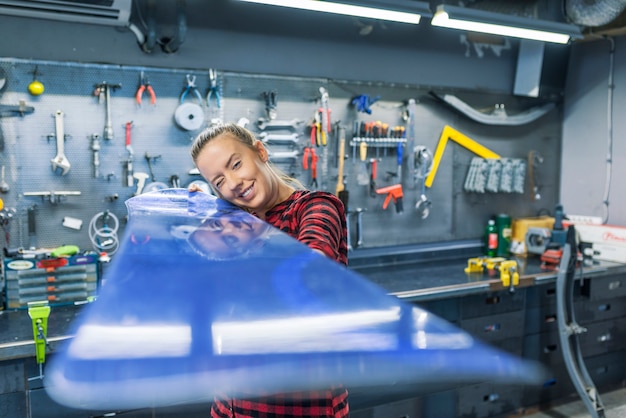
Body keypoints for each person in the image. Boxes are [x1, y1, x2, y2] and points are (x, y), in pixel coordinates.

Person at [189, 122, 349, 418]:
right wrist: (203, 225)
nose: (234, 183)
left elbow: (310, 268)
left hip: (299, 406)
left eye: (236, 164)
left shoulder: (315, 207)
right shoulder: (233, 221)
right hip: (230, 403)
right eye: (219, 181)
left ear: (260, 151)